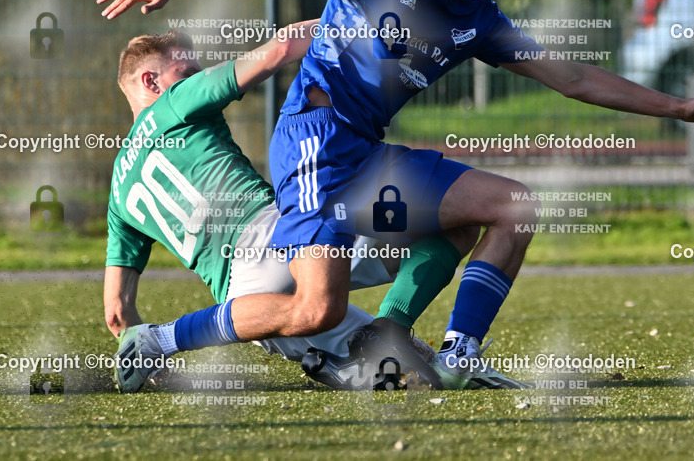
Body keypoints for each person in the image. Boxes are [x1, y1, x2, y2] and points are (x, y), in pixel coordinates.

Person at [99, 0, 694, 389]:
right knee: (313, 310)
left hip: (369, 154)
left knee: (508, 207)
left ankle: (446, 351)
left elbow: (573, 76)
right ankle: (159, 340)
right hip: (315, 144)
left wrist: (678, 105)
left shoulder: (478, 18)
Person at [105, 24, 470, 391]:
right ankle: (372, 348)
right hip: (278, 233)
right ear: (151, 81)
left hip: (249, 306)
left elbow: (118, 315)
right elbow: (281, 48)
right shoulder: (174, 103)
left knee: (402, 371)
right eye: (186, 72)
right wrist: (356, 20)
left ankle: (337, 365)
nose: (197, 77)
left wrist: (154, 371)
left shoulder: (118, 193)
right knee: (451, 224)